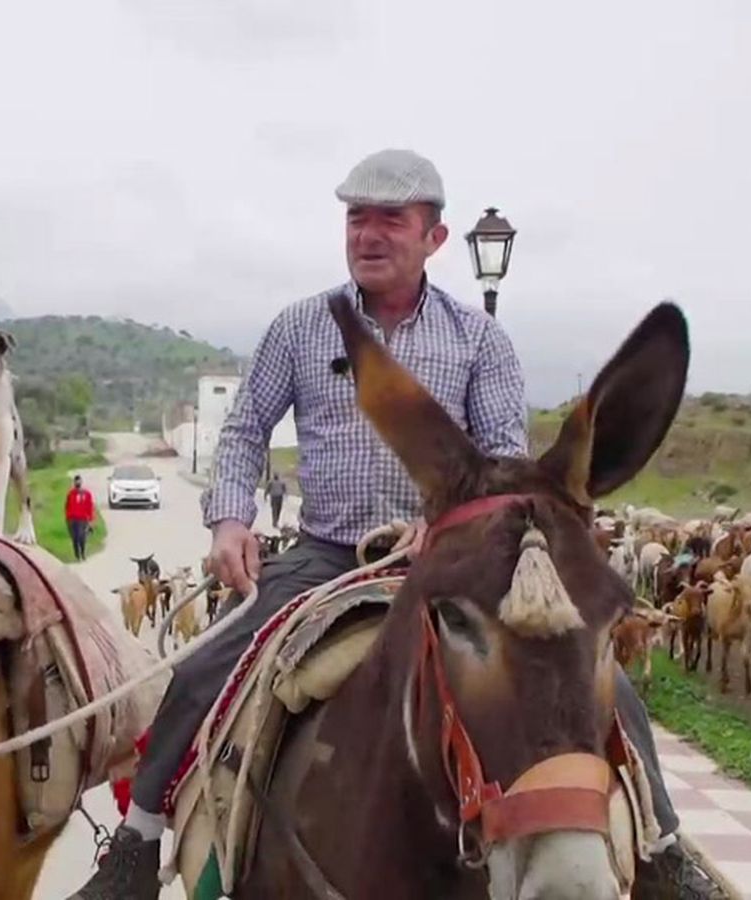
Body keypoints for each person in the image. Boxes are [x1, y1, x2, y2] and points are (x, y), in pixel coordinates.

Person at [67, 149, 708, 899]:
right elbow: (244, 431)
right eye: (356, 218)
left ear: (434, 238)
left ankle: (663, 851)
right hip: (324, 555)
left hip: (450, 560)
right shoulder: (302, 327)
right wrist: (230, 520)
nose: (368, 234)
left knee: (598, 679)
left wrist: (450, 526)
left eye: (389, 220)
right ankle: (137, 849)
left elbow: (503, 457)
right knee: (205, 670)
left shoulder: (480, 341)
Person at [64, 474, 95, 562]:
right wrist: (68, 518)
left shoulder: (86, 494)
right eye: (76, 481)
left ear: (81, 482)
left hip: (83, 518)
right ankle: (77, 555)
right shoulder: (71, 494)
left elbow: (90, 506)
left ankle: (83, 553)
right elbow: (67, 506)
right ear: (74, 483)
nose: (77, 483)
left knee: (82, 536)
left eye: (79, 481)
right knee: (75, 538)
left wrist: (91, 520)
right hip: (72, 519)